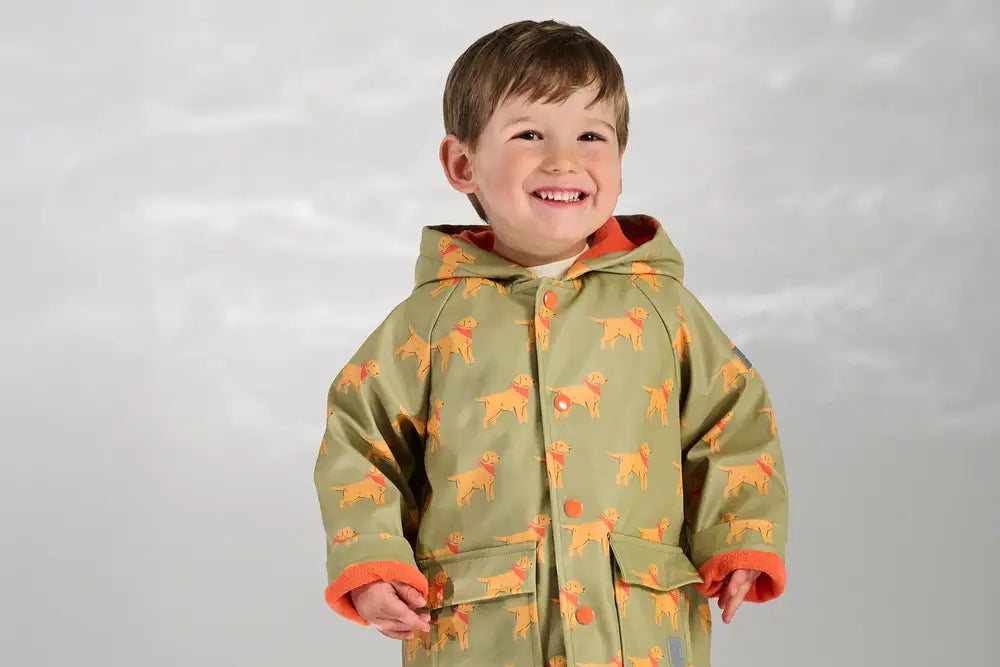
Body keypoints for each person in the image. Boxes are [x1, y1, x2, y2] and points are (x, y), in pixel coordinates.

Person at [313, 18, 789, 667]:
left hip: (637, 630)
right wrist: (372, 559)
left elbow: (733, 421)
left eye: (591, 136)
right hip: (483, 635)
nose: (564, 160)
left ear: (620, 160)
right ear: (462, 164)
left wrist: (739, 534)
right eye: (530, 134)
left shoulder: (663, 308)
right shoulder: (432, 321)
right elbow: (359, 439)